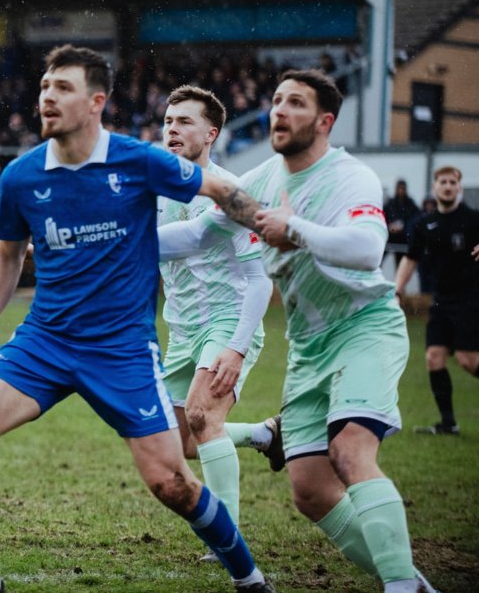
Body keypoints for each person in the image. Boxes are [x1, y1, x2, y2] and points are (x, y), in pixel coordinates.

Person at [0, 46, 273, 593]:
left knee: (172, 483)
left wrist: (269, 223)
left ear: (97, 102)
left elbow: (220, 190)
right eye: (45, 86)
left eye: (63, 88)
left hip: (121, 351)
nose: (48, 96)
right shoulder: (23, 176)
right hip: (43, 342)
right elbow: (6, 252)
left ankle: (250, 579)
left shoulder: (138, 161)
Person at [159, 69, 435, 593]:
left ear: (325, 121)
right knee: (310, 492)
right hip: (307, 346)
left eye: (296, 104)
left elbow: (365, 249)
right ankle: (413, 582)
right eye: (276, 101)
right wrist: (94, 246)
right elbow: (197, 234)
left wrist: (296, 231)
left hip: (362, 327)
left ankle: (400, 587)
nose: (280, 111)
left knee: (350, 454)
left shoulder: (350, 176)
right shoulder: (260, 181)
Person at [156, 86, 281, 541]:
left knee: (203, 416)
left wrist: (237, 346)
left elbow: (260, 279)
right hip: (181, 329)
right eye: (168, 121)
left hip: (228, 320)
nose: (172, 129)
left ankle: (229, 539)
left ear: (210, 133)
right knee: (184, 443)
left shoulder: (232, 193)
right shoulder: (153, 191)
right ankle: (267, 436)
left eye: (184, 122)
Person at [395, 166, 479, 436]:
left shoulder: (473, 219)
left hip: (471, 300)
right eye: (442, 182)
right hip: (441, 301)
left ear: (459, 188)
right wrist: (397, 290)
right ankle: (448, 424)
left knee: (468, 360)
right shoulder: (424, 224)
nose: (447, 186)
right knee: (433, 357)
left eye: (452, 182)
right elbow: (410, 258)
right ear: (435, 187)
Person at [383, 179, 420, 268]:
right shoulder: (391, 203)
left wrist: (404, 226)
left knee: (400, 265)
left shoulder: (410, 204)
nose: (400, 191)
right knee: (378, 258)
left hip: (403, 239)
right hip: (390, 238)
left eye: (402, 188)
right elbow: (384, 216)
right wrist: (390, 226)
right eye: (399, 188)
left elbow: (416, 218)